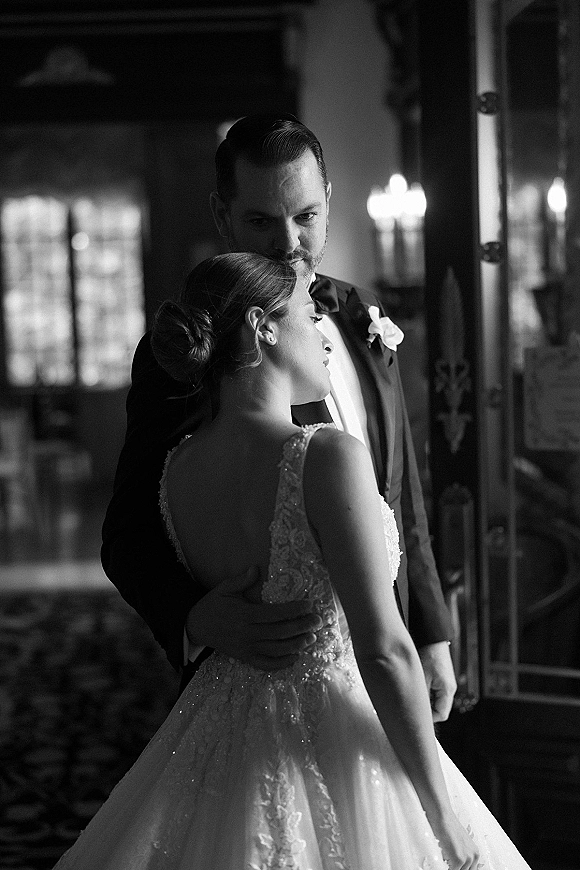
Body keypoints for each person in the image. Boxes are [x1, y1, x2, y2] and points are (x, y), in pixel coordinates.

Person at [55, 252, 531, 869]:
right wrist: (440, 813)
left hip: (217, 741)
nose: (324, 338)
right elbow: (384, 650)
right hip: (334, 743)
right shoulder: (326, 457)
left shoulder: (180, 468)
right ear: (263, 327)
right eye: (309, 315)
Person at [101, 112, 456, 717]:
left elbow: (399, 491)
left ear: (327, 203)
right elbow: (126, 531)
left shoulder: (361, 315)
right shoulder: (185, 354)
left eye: (305, 216)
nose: (288, 242)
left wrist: (430, 631)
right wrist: (192, 614)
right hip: (258, 682)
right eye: (261, 220)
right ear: (222, 216)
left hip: (381, 650)